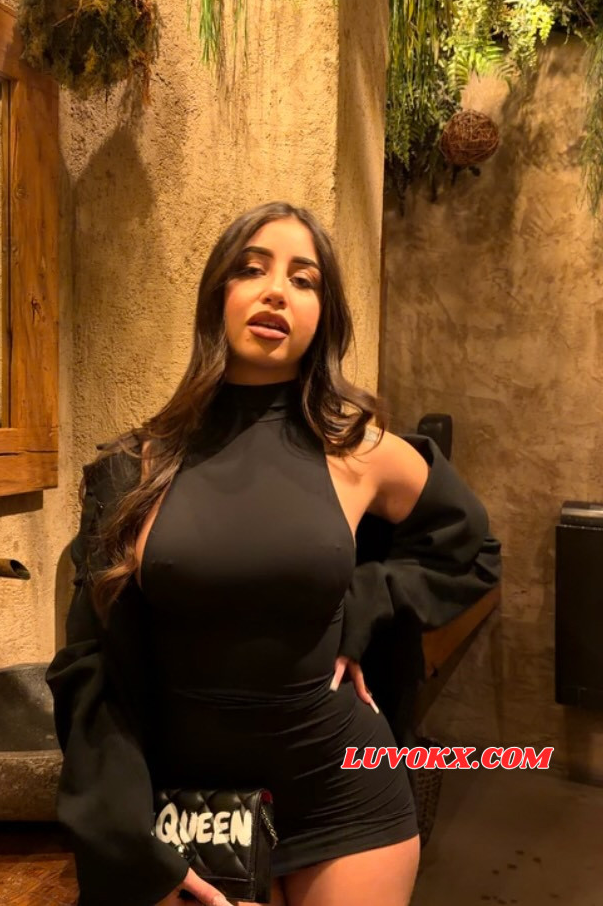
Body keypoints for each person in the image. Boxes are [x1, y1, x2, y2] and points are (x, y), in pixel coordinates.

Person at [46, 201, 501, 906]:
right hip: (185, 809)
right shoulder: (135, 468)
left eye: (303, 279)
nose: (276, 292)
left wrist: (368, 598)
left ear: (323, 314)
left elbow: (470, 548)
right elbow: (88, 667)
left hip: (346, 797)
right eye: (251, 269)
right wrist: (128, 845)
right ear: (217, 297)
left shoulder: (358, 451)